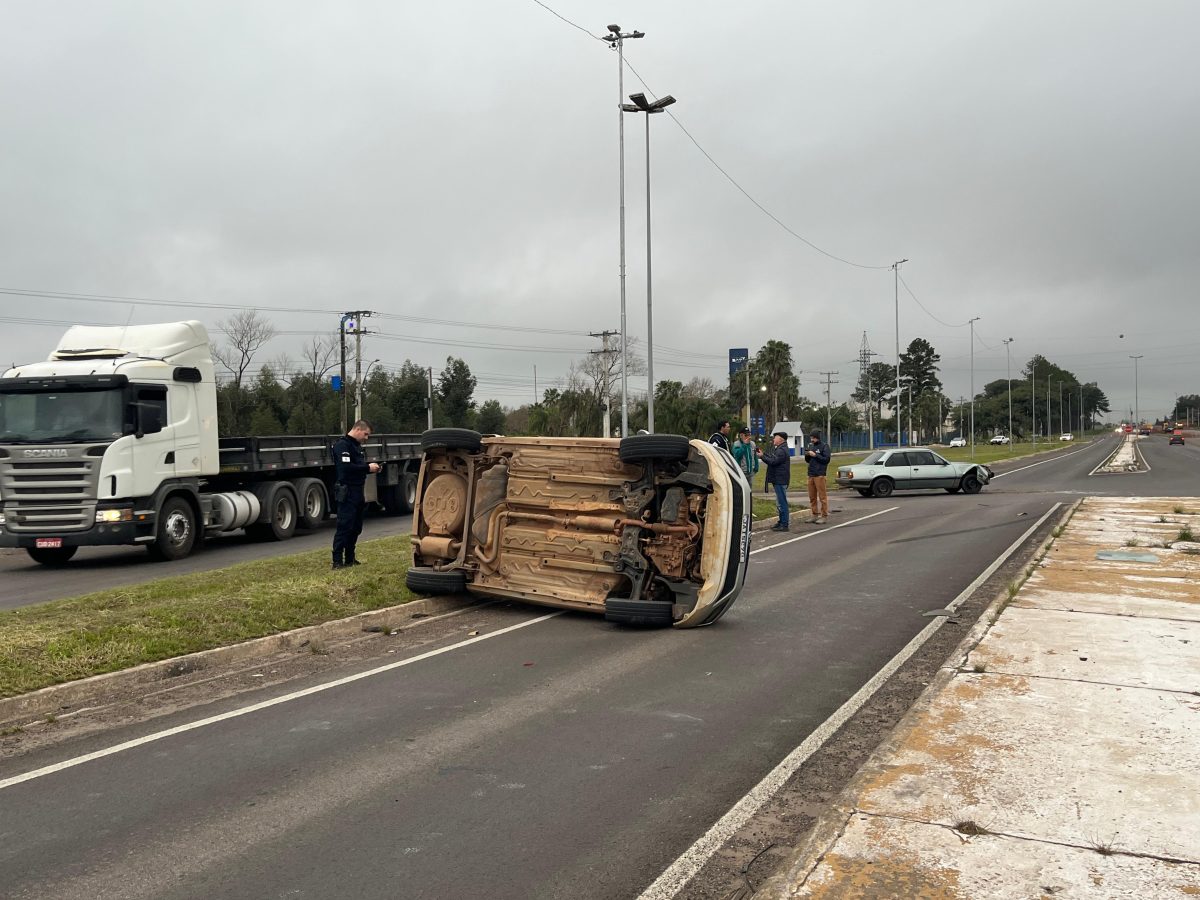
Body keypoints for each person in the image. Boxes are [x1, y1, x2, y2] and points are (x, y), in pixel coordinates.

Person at [331, 419, 381, 569]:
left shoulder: (356, 446)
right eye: (366, 434)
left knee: (356, 526)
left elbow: (357, 465)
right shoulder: (342, 446)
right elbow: (346, 468)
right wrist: (367, 468)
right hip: (347, 491)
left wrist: (372, 468)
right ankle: (337, 560)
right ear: (358, 429)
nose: (366, 438)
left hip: (358, 490)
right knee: (344, 525)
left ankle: (350, 558)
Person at [756, 431, 792, 531]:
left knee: (782, 502)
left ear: (781, 439)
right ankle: (781, 522)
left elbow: (773, 461)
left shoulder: (781, 450)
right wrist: (764, 455)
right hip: (779, 479)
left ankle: (784, 524)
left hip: (780, 479)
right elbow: (773, 458)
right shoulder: (780, 449)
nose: (773, 439)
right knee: (779, 502)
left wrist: (762, 456)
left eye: (775, 437)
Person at [804, 429, 832, 524]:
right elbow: (808, 460)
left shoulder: (824, 446)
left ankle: (824, 515)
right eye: (811, 438)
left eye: (813, 438)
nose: (812, 440)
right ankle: (814, 514)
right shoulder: (811, 446)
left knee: (822, 497)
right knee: (812, 497)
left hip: (820, 474)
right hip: (811, 474)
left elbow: (826, 459)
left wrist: (815, 455)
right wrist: (807, 455)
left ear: (817, 437)